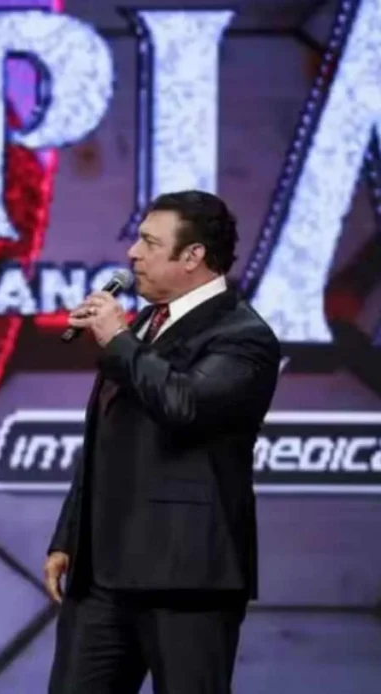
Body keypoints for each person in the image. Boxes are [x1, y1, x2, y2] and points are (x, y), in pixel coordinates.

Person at [44, 190, 281, 693]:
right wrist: (69, 535)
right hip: (102, 576)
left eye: (150, 243)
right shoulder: (145, 326)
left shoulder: (243, 335)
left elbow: (185, 406)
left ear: (193, 256)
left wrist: (119, 341)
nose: (132, 253)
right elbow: (106, 439)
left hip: (187, 577)